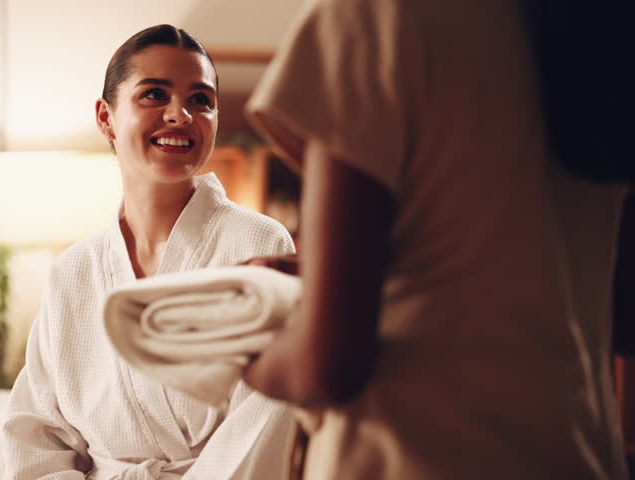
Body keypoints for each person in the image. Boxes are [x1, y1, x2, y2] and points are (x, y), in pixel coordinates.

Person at [240, 0, 633, 479]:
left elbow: (326, 365)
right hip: (574, 451)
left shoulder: (378, 14)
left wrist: (229, 345)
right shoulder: (597, 31)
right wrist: (331, 278)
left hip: (418, 457)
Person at [2, 25, 296, 479]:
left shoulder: (259, 244)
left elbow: (265, 420)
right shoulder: (74, 271)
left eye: (201, 99)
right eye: (154, 94)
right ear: (106, 118)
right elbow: (35, 430)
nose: (180, 114)